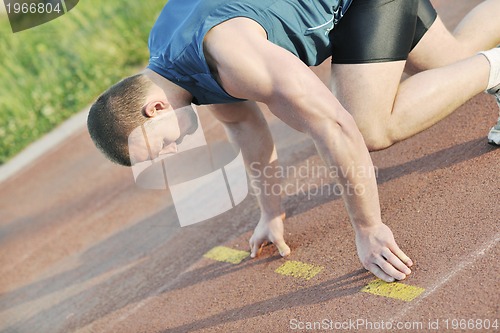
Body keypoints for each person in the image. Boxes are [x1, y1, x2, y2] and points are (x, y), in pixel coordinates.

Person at [87, 0, 500, 283]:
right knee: (454, 60)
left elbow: (335, 127)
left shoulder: (230, 57)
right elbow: (245, 127)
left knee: (368, 126)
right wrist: (272, 213)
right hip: (341, 11)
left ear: (154, 110)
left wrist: (368, 227)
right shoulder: (174, 64)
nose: (172, 153)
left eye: (160, 148)